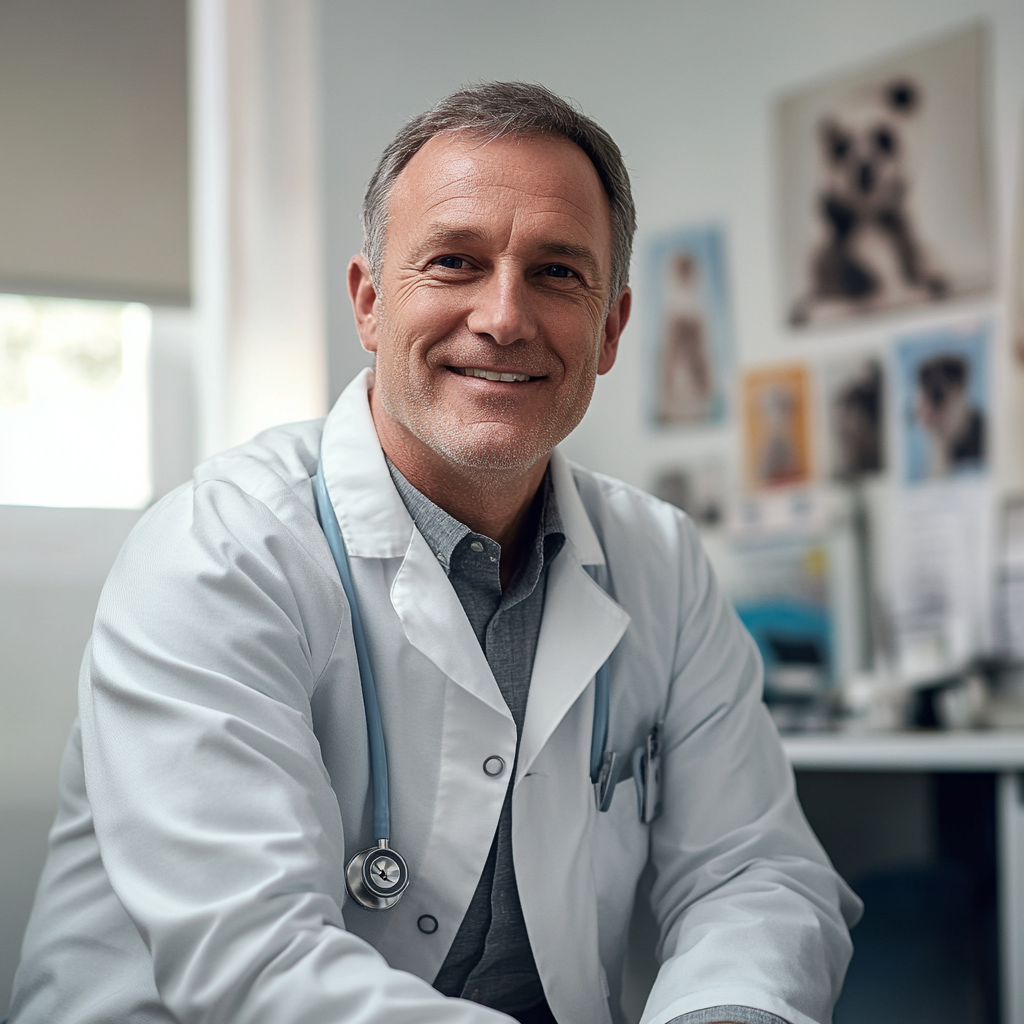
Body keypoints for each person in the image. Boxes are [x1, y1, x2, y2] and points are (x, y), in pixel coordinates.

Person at [10, 82, 860, 1024]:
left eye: (557, 273)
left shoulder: (659, 560)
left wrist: (728, 1013)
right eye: (455, 261)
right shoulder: (216, 553)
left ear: (612, 329)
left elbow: (757, 871)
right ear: (371, 304)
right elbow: (255, 963)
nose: (503, 316)